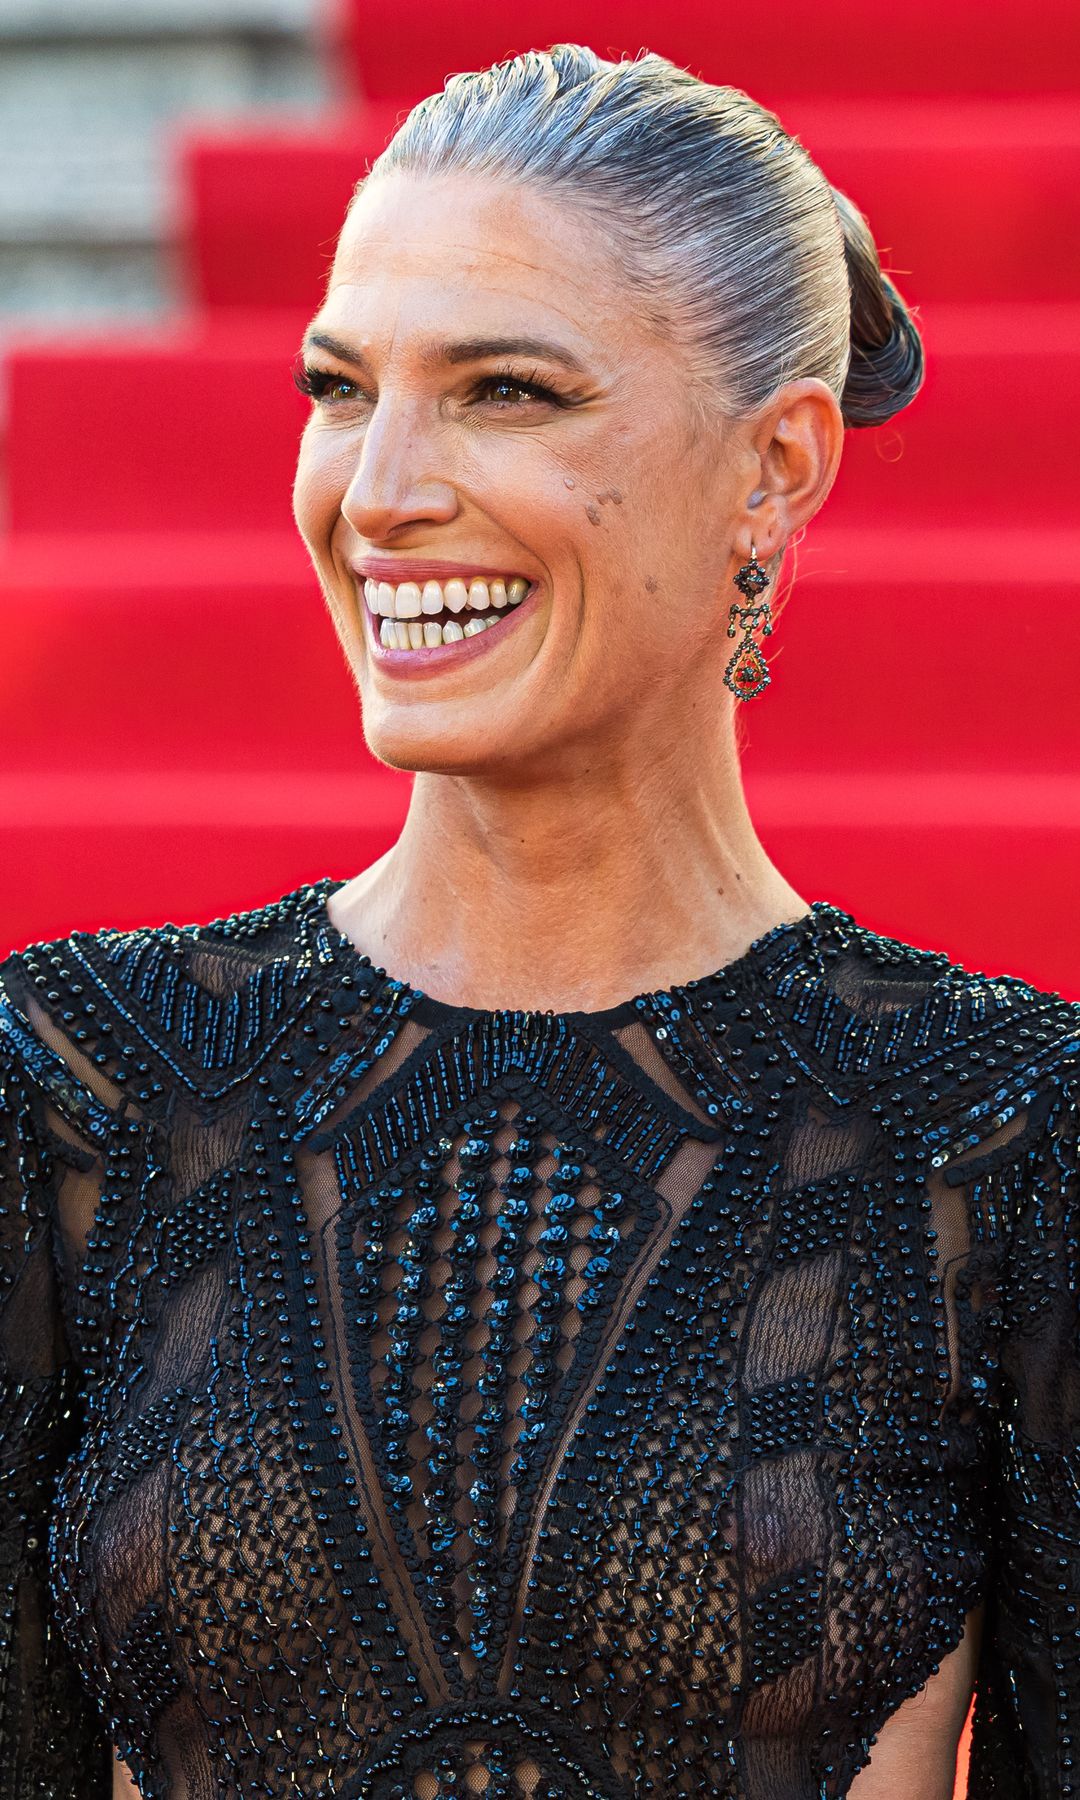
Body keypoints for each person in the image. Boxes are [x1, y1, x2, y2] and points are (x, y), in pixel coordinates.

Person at [0, 43, 1076, 1800]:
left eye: (506, 390)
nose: (380, 490)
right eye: (341, 387)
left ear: (777, 469)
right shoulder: (82, 1084)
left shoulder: (1002, 1130)